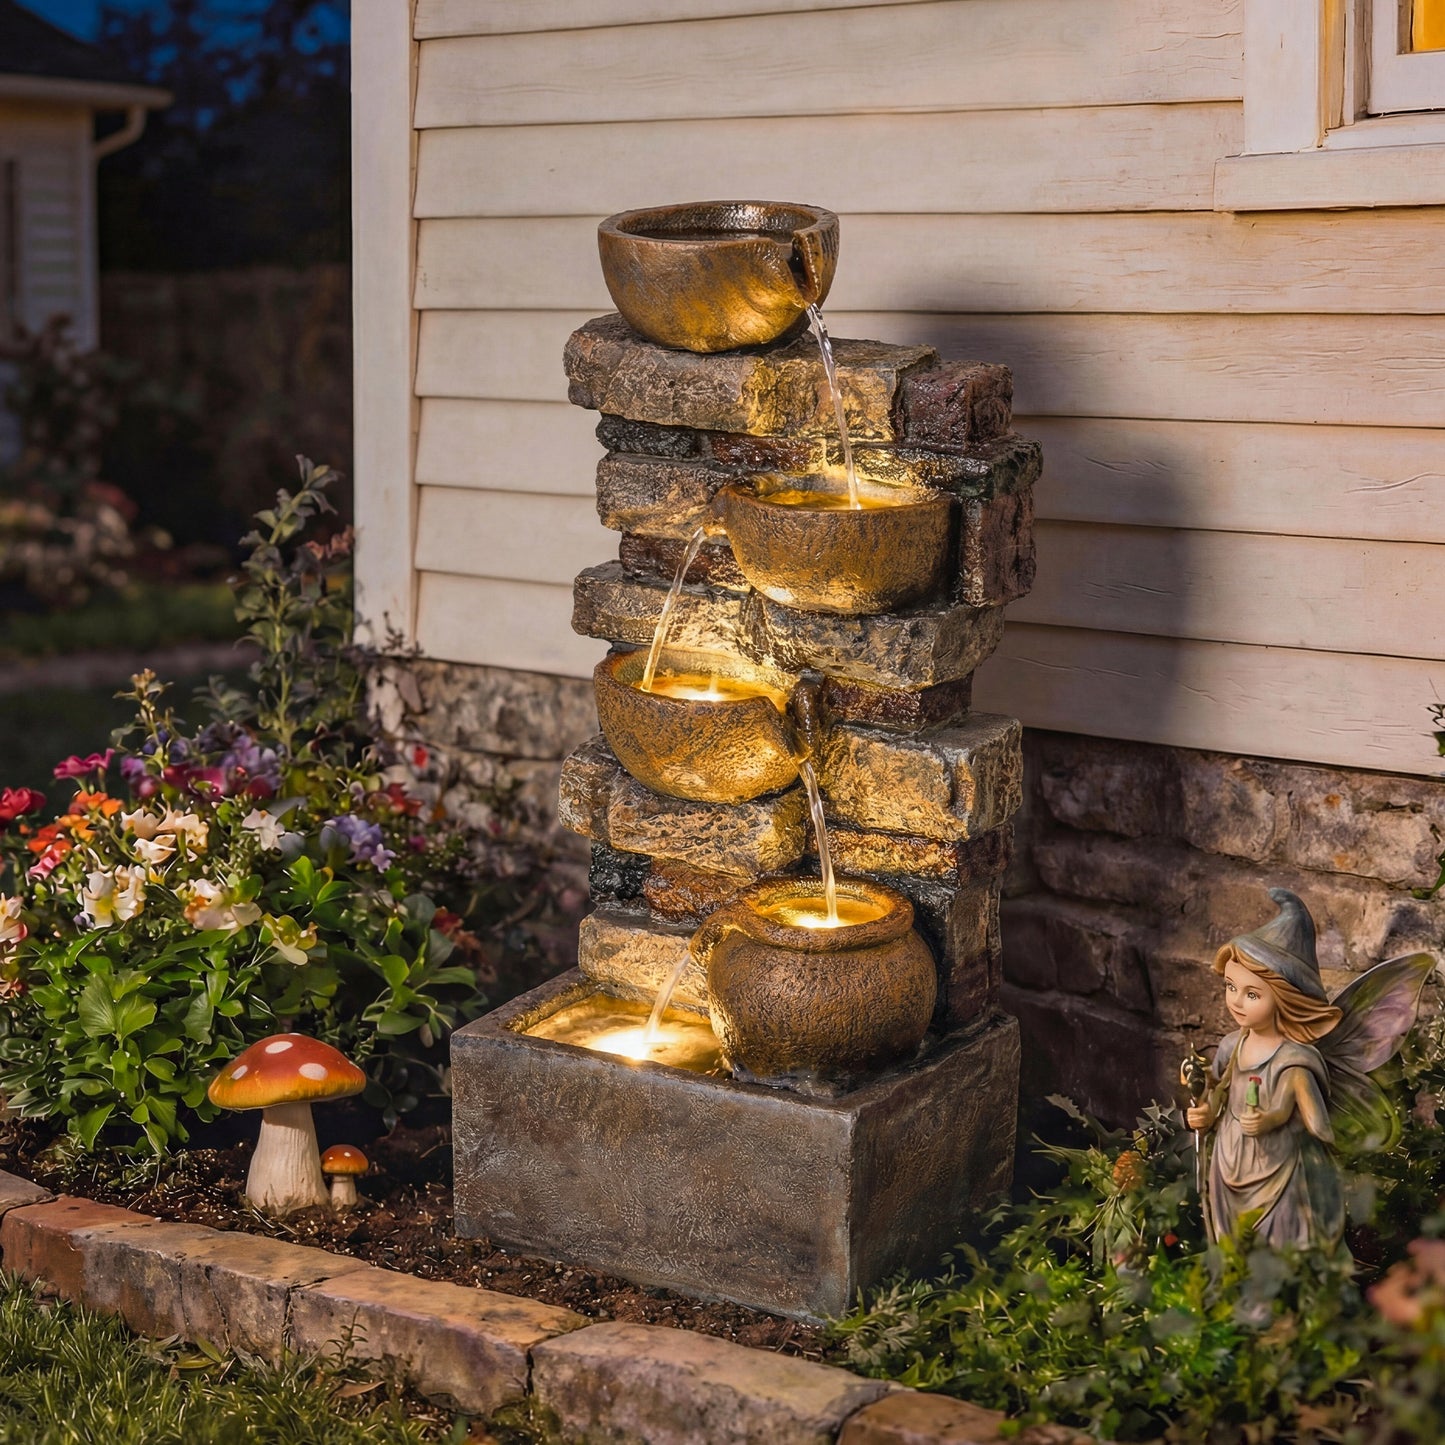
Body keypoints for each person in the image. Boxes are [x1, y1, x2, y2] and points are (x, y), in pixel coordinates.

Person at [1186, 889, 1435, 1252]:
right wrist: (1204, 1114)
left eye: (1252, 994)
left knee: (1281, 1247)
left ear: (1287, 1000)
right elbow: (1220, 1094)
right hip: (1230, 1163)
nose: (1236, 1001)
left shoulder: (1295, 1061)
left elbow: (1318, 1123)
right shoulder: (1231, 1047)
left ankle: (1291, 1294)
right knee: (1234, 1247)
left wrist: (1275, 1120)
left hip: (1282, 1171)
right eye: (1230, 987)